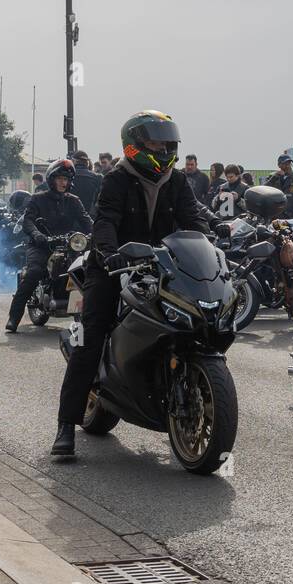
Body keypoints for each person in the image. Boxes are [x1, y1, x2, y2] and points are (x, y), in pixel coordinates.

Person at [52, 110, 212, 457]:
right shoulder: (117, 179)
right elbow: (105, 220)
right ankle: (66, 426)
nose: (164, 147)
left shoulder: (176, 180)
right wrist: (111, 254)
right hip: (114, 266)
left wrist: (211, 239)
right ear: (136, 144)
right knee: (91, 338)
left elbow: (192, 216)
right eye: (156, 141)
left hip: (164, 264)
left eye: (167, 141)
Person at [5, 158, 92, 332]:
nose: (63, 182)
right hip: (41, 245)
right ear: (51, 179)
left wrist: (97, 232)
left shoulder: (74, 201)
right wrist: (37, 234)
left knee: (90, 271)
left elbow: (87, 220)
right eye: (59, 178)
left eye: (66, 179)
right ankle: (14, 317)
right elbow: (28, 221)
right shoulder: (38, 199)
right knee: (35, 272)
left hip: (68, 245)